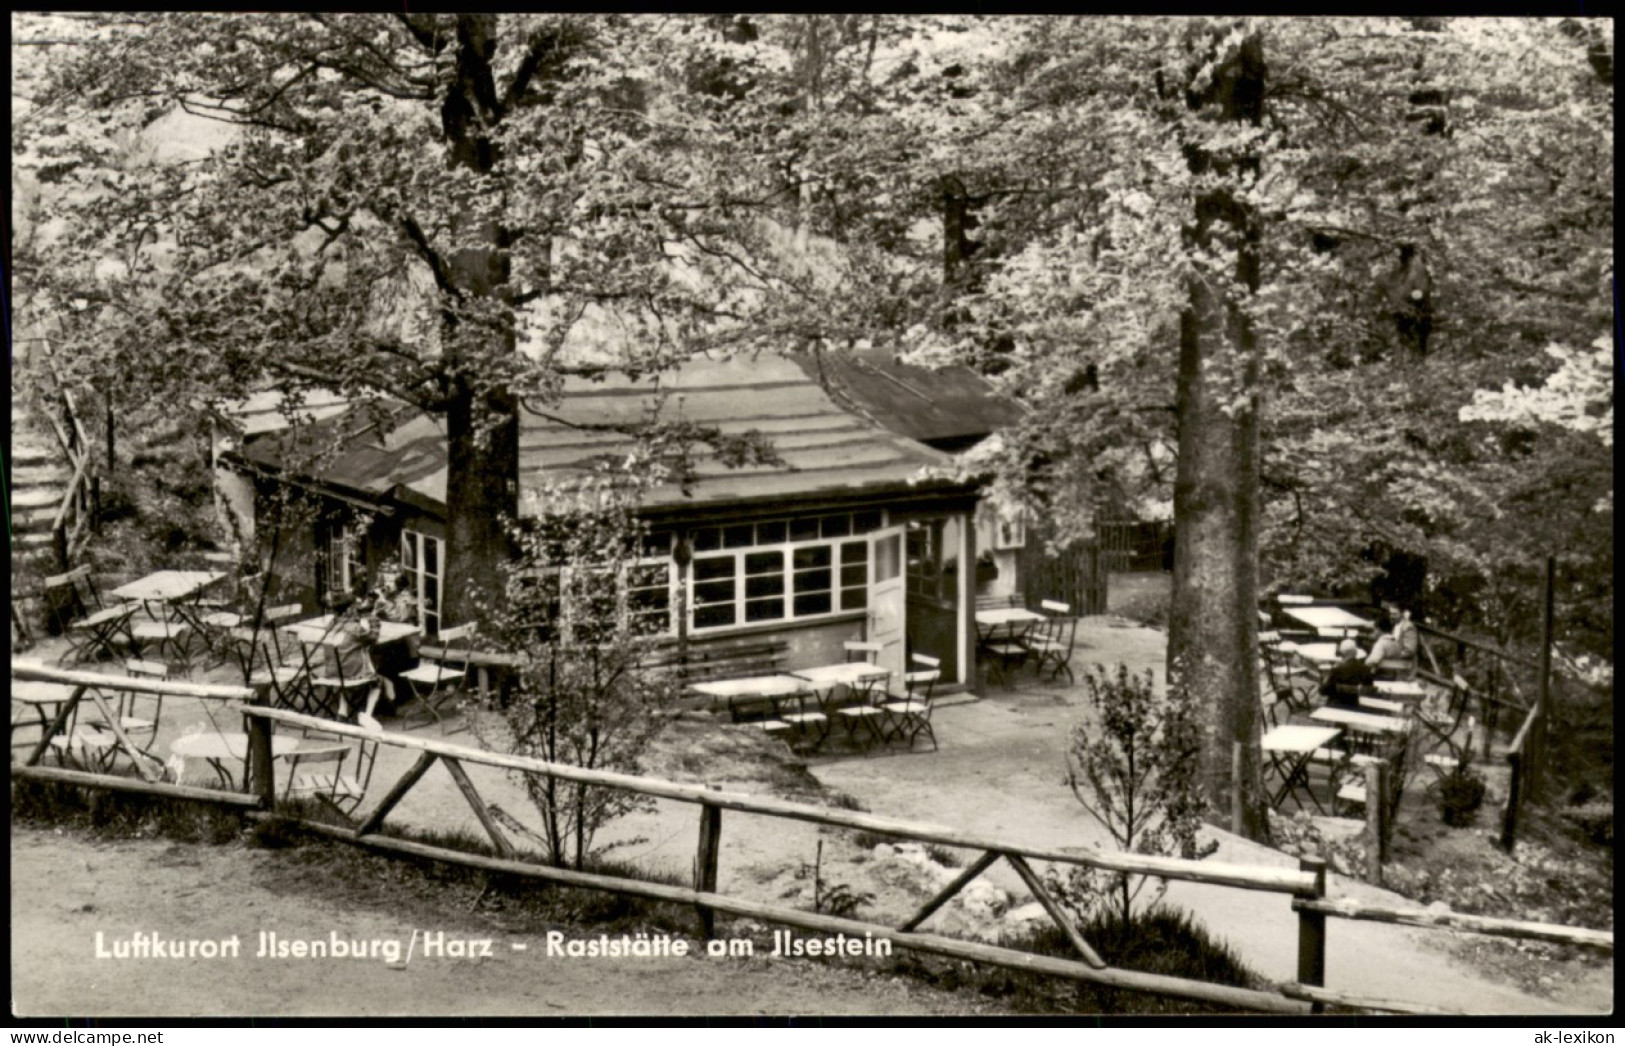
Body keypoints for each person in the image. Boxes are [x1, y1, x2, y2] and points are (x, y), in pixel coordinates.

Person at [1320, 638, 1375, 710]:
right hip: (1358, 705)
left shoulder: (1338, 669)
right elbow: (1369, 689)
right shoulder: (1365, 669)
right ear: (1356, 652)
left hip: (1337, 706)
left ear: (1342, 652)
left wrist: (1324, 680)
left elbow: (1323, 691)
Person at [1366, 606, 1419, 675]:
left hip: (1404, 663)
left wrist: (1391, 655)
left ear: (1402, 613)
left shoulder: (1408, 627)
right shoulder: (1395, 625)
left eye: (1395, 614)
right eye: (1391, 614)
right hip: (1393, 657)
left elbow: (1410, 650)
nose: (1392, 616)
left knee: (1379, 650)